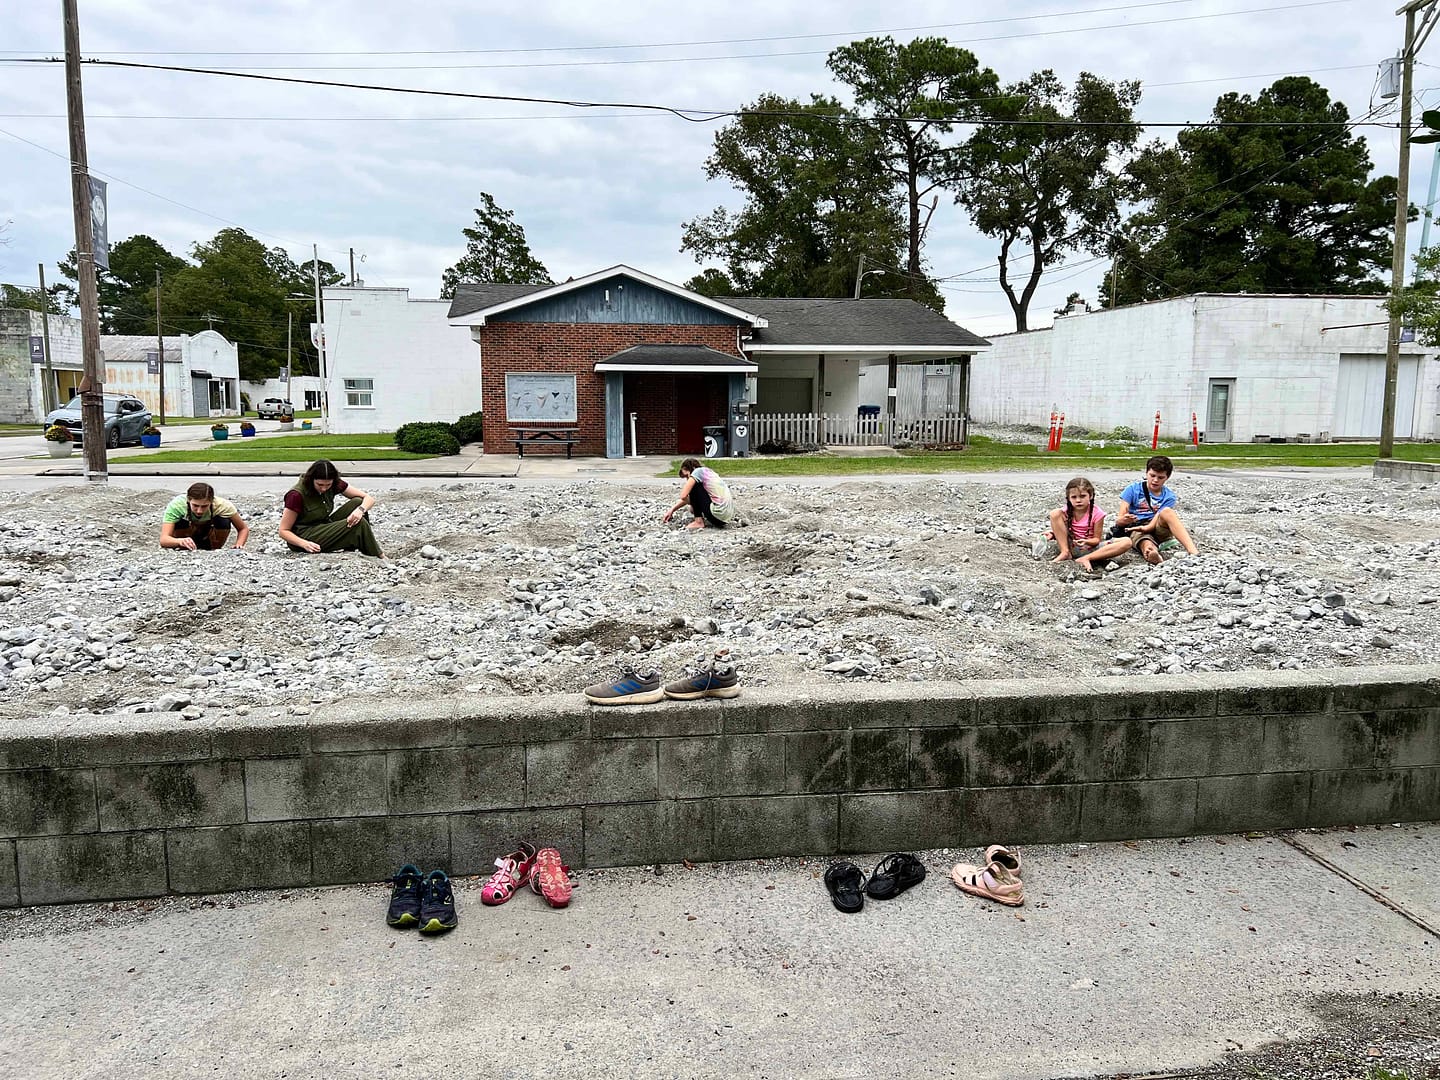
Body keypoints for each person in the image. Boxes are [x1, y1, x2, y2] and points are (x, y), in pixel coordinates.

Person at [1078, 455, 1198, 571]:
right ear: (1146, 473)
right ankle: (1152, 553)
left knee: (1167, 512)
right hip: (1136, 526)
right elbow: (1119, 519)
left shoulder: (1169, 496)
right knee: (1144, 541)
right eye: (1152, 475)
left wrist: (1146, 527)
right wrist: (1125, 520)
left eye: (1160, 477)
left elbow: (1158, 518)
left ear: (1167, 477)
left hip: (1156, 525)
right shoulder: (1133, 489)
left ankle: (1193, 551)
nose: (1155, 480)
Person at [279, 459, 382, 556]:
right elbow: (283, 531)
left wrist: (360, 510)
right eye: (320, 484)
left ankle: (359, 545)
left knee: (358, 502)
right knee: (359, 523)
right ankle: (378, 555)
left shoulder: (334, 483)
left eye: (328, 485)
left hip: (323, 525)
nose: (324, 488)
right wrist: (304, 544)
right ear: (311, 480)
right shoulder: (296, 495)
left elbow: (368, 498)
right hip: (304, 536)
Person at [159, 482, 249, 551]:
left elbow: (243, 528)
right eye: (195, 505)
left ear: (212, 501)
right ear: (188, 500)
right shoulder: (176, 505)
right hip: (184, 540)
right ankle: (184, 549)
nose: (199, 511)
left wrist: (239, 545)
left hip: (210, 536)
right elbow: (164, 539)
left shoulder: (223, 506)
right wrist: (179, 541)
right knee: (180, 522)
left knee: (223, 521)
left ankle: (214, 549)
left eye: (204, 506)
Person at [1041, 477, 1105, 563]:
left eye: (1082, 496)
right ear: (1068, 498)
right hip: (1071, 547)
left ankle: (1086, 558)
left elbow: (1097, 540)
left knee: (1125, 542)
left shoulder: (1097, 513)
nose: (1078, 500)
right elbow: (1064, 531)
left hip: (1091, 549)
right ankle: (1065, 553)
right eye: (1074, 497)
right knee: (1055, 513)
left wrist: (1086, 541)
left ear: (1091, 496)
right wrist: (1053, 534)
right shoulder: (1066, 512)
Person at [663, 458, 735, 530]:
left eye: (687, 476)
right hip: (725, 517)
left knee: (693, 487)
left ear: (691, 468)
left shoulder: (696, 472)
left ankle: (698, 522)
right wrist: (672, 510)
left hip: (717, 515)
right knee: (694, 494)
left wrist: (692, 503)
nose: (687, 480)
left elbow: (683, 496)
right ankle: (700, 519)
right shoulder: (708, 473)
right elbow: (693, 498)